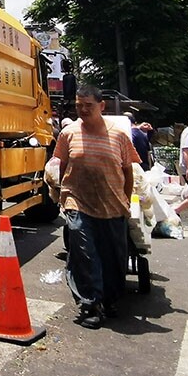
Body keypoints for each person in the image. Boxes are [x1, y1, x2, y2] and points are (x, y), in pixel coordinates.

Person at [53, 83, 136, 329]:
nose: (83, 110)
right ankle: (90, 303)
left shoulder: (119, 136)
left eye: (88, 105)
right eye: (79, 106)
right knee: (84, 252)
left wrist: (125, 199)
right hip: (77, 200)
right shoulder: (68, 134)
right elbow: (62, 164)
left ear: (101, 106)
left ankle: (109, 299)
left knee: (112, 256)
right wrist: (62, 193)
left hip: (112, 204)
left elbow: (128, 171)